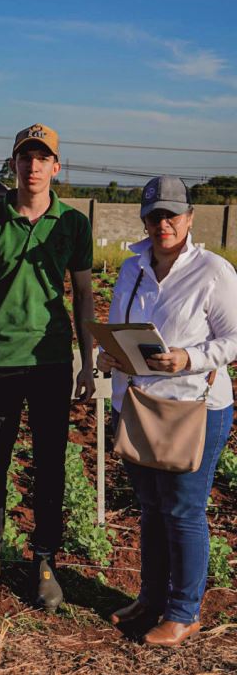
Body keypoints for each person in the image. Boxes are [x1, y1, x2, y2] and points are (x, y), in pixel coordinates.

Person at [0, 123, 95, 611]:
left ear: (56, 167)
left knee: (50, 465)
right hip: (1, 362)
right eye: (24, 157)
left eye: (42, 157)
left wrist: (87, 361)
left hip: (52, 361)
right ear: (12, 165)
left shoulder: (73, 225)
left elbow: (83, 296)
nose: (32, 166)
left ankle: (45, 562)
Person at [97, 176, 237, 646]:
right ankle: (151, 597)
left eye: (172, 215)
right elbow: (121, 326)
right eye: (155, 215)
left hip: (193, 409)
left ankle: (184, 611)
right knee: (151, 510)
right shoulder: (132, 267)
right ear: (145, 219)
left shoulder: (213, 271)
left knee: (183, 510)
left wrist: (188, 358)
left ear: (190, 218)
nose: (163, 224)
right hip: (138, 404)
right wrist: (110, 354)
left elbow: (233, 339)